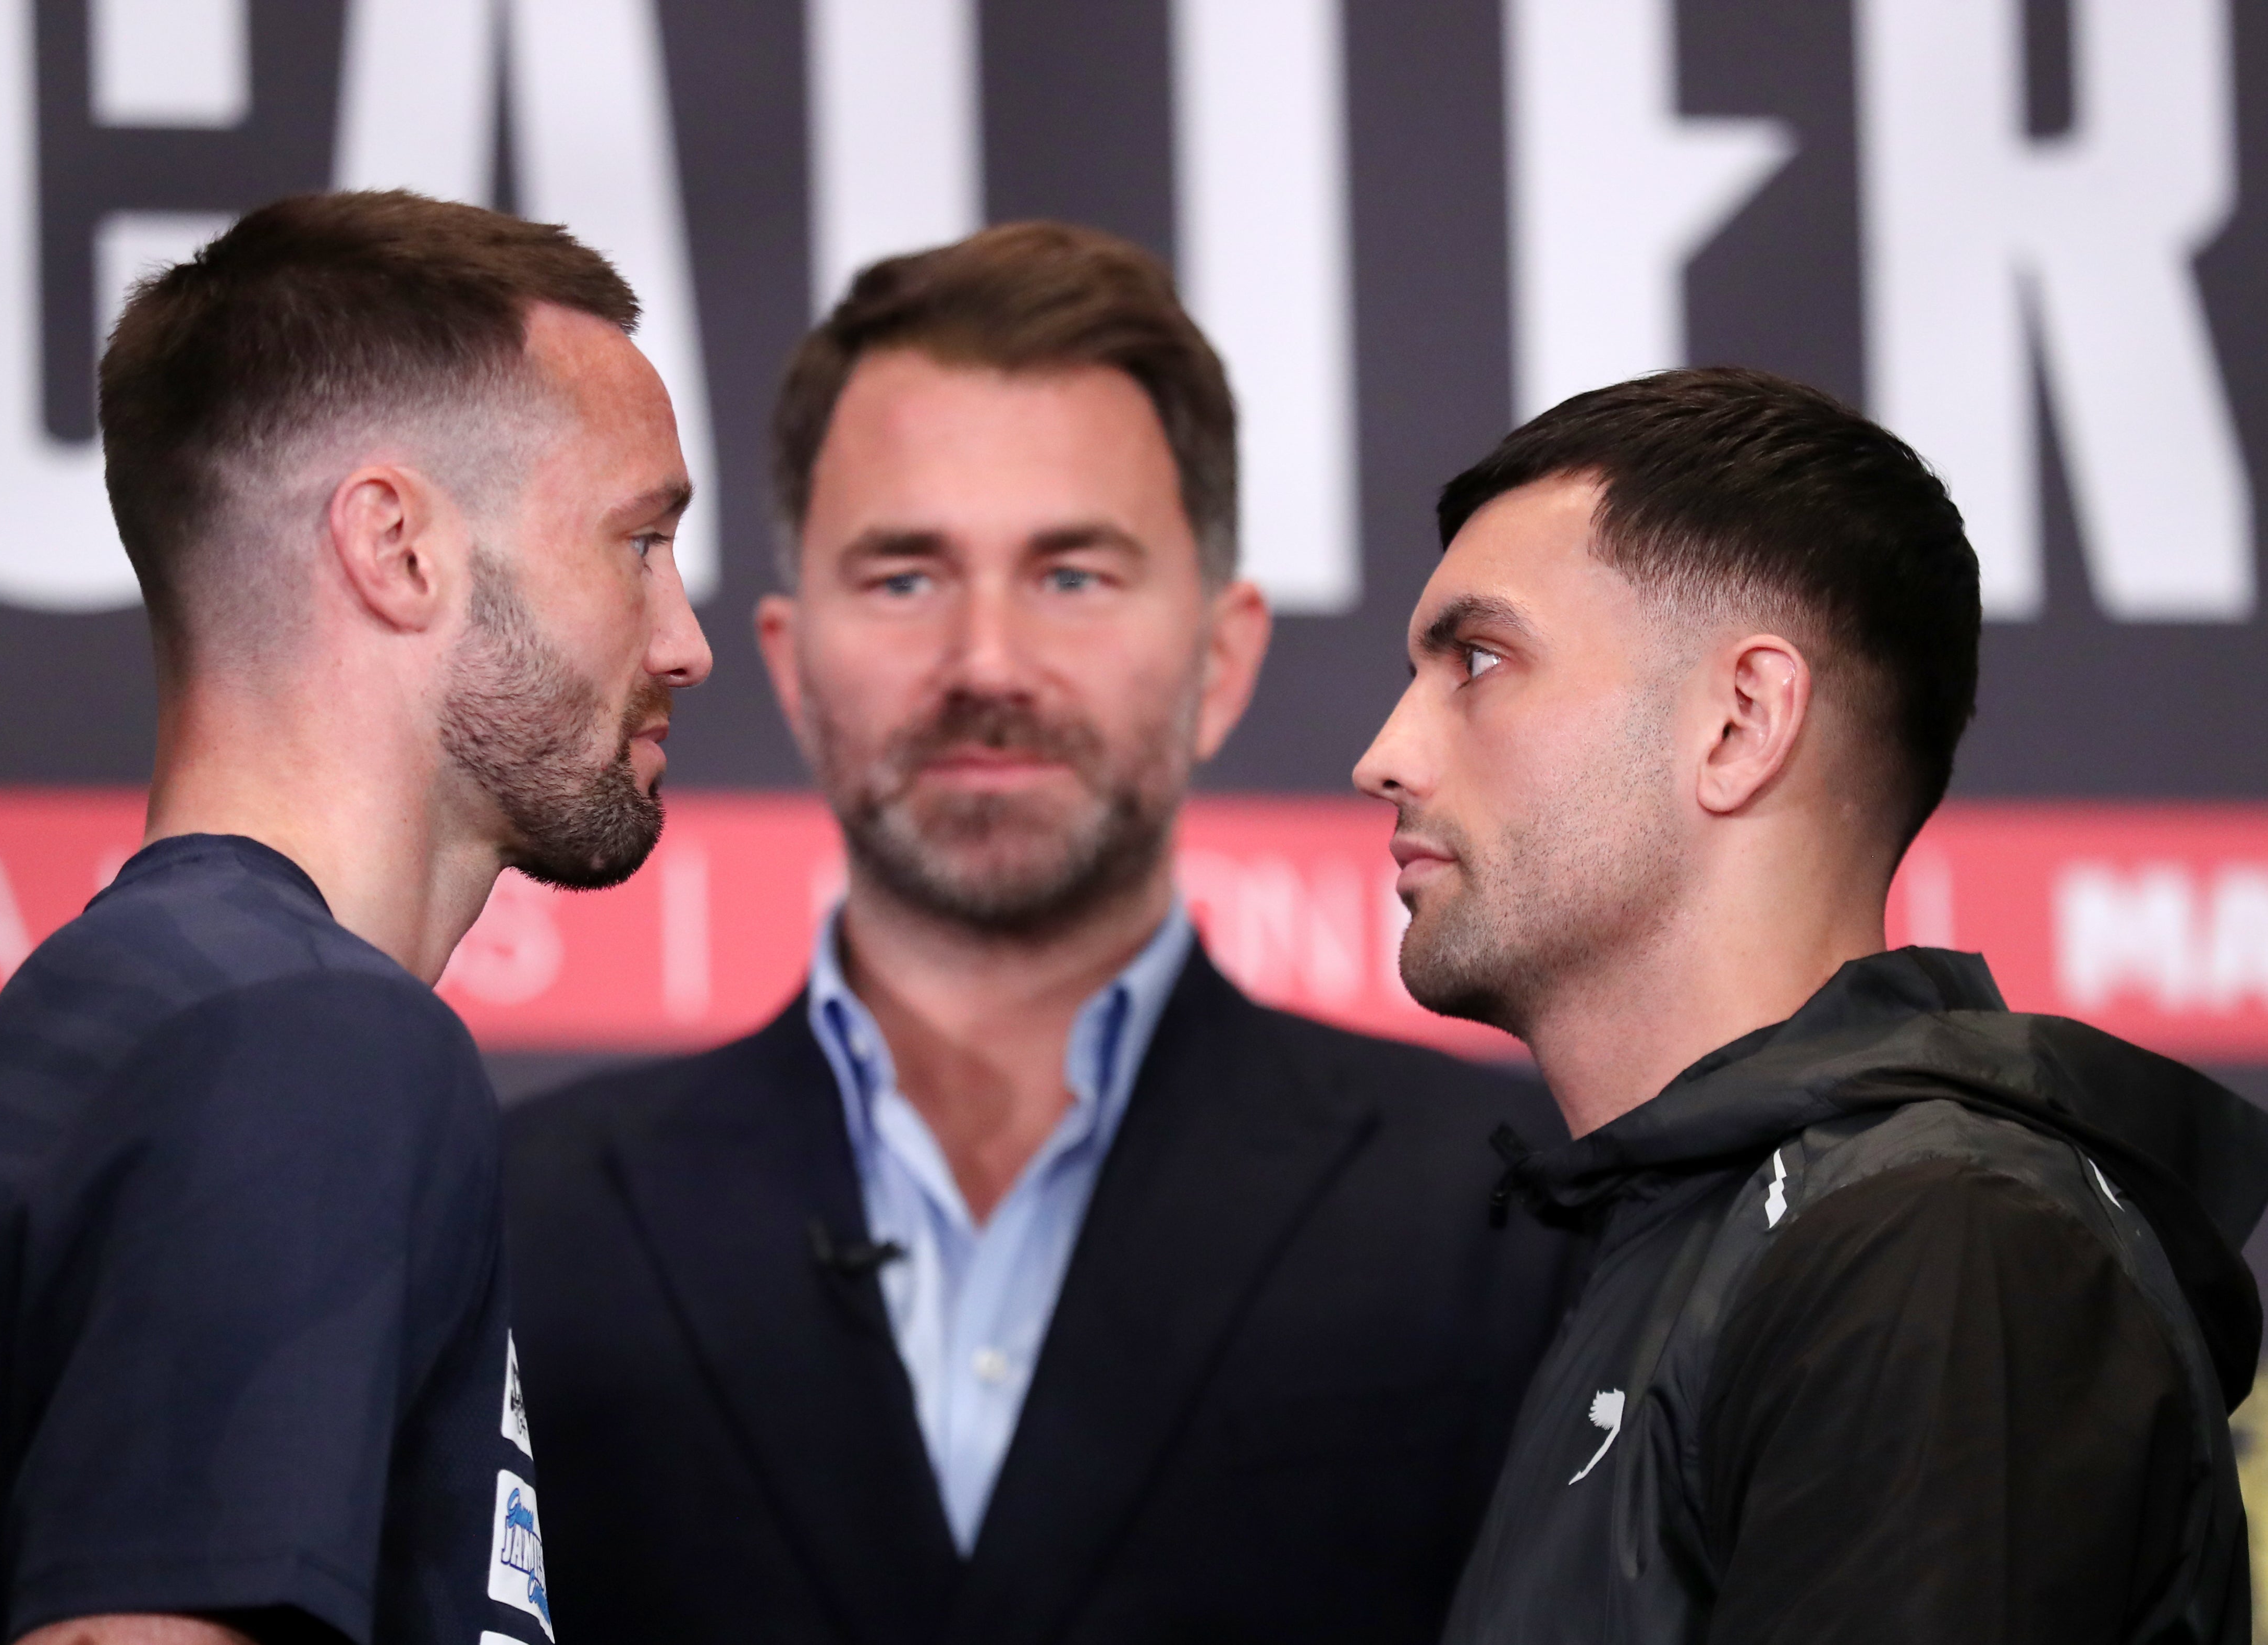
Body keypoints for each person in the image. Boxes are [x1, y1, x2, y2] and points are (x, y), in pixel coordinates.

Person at [502, 221, 1580, 1643]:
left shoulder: (1521, 1214)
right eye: (904, 577)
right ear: (787, 659)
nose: (986, 663)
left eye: (1072, 575)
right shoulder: (509, 1220)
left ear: (1223, 654)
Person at [0, 190, 711, 1645]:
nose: (685, 638)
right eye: (639, 540)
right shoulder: (302, 1041)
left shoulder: (83, 1046)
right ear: (398, 547)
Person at [1353, 365, 2268, 1644]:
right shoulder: (1686, 1239)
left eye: (1479, 659)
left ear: (1739, 722)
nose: (1383, 752)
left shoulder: (1935, 1247)